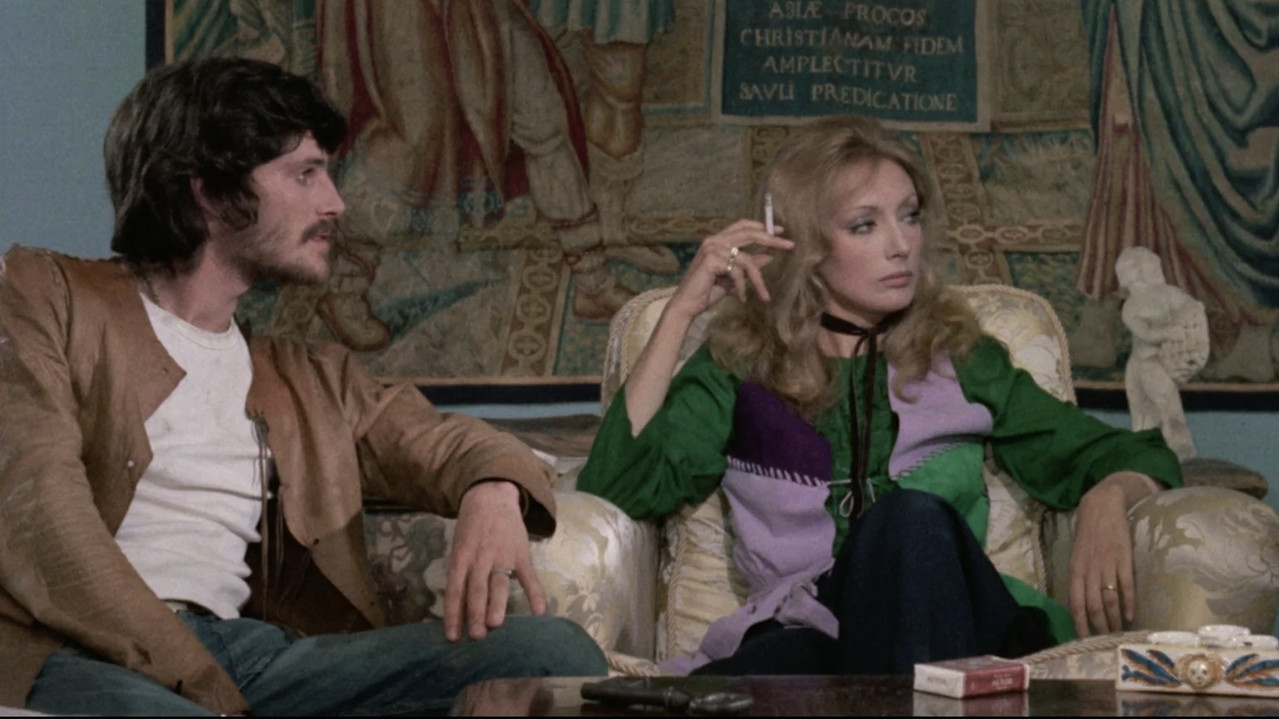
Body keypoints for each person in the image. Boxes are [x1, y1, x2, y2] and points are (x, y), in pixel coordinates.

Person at [0, 57, 606, 716]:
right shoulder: (47, 295)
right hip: (79, 650)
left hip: (252, 659)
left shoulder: (312, 376)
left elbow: (445, 443)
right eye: (305, 173)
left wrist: (492, 490)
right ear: (210, 191)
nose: (335, 203)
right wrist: (199, 683)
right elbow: (38, 504)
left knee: (550, 653)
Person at [576, 115, 1182, 676]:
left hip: (960, 628)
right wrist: (681, 312)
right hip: (814, 630)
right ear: (802, 246)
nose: (901, 245)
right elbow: (618, 486)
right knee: (761, 669)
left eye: (909, 216)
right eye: (865, 225)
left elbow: (1126, 454)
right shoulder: (742, 366)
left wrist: (1110, 494)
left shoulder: (962, 357)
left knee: (907, 520)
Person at [1116, 246, 1209, 462]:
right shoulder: (1131, 307)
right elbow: (1147, 334)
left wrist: (1188, 321)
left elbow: (1191, 308)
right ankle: (1147, 453)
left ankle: (1177, 447)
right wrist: (1170, 331)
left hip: (1159, 364)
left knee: (1167, 406)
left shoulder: (1169, 294)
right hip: (1141, 364)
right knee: (1142, 413)